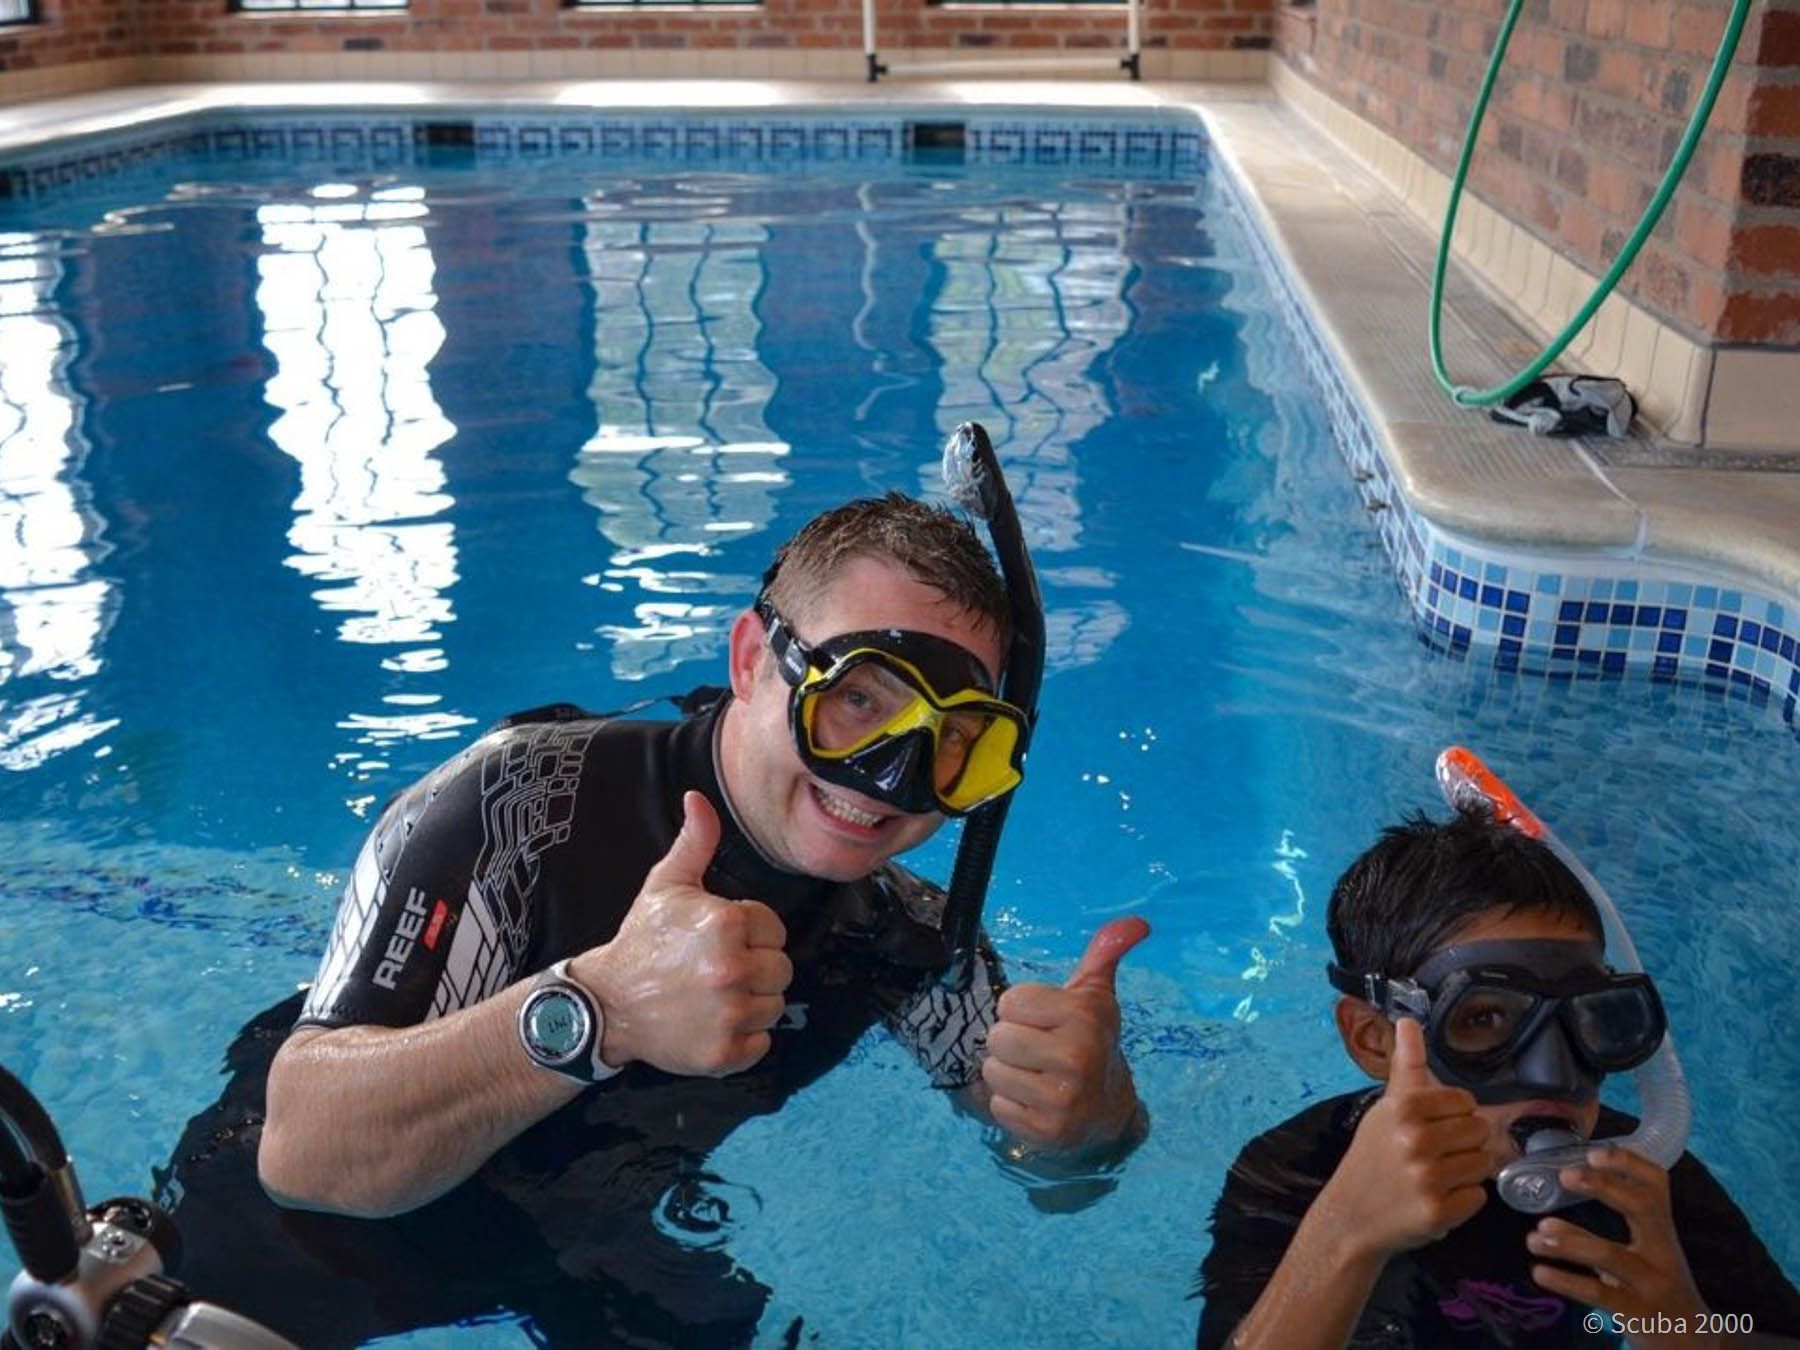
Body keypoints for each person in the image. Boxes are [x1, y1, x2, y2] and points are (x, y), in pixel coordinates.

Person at [156, 492, 1147, 1348]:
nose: (891, 778)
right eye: (857, 700)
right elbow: (305, 1151)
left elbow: (1049, 1169)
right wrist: (599, 1008)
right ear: (753, 660)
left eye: (954, 738)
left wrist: (1093, 1120)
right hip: (283, 1263)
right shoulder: (522, 809)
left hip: (575, 1250)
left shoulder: (897, 932)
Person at [1194, 806, 1800, 1350]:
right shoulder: (1300, 1169)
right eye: (1482, 1019)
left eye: (1585, 1017)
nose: (1552, 1073)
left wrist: (1688, 1331)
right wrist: (1345, 1235)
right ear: (1374, 1039)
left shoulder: (1639, 1184)